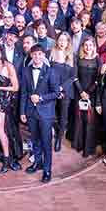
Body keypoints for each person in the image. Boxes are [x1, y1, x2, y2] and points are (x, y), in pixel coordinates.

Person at [20, 44, 61, 183]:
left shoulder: (51, 71)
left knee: (46, 142)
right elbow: (24, 92)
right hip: (31, 112)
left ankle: (47, 169)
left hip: (45, 113)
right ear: (31, 55)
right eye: (34, 54)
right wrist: (22, 111)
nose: (37, 57)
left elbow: (56, 93)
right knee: (35, 140)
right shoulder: (25, 71)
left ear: (44, 55)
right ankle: (38, 163)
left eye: (39, 54)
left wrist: (41, 98)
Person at [0, 41, 21, 171]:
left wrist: (0, 87)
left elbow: (16, 87)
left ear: (2, 51)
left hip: (4, 100)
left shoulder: (9, 66)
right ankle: (2, 153)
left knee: (0, 130)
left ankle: (7, 160)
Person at [71, 36, 101, 158]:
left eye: (91, 45)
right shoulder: (78, 59)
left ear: (94, 46)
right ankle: (79, 144)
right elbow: (75, 76)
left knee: (90, 121)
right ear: (83, 47)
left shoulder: (98, 60)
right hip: (80, 93)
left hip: (92, 94)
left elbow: (98, 79)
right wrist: (81, 91)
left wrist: (88, 92)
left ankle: (88, 148)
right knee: (80, 119)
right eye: (86, 45)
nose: (88, 47)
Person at [49, 31, 76, 152]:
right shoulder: (51, 53)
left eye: (64, 40)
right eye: (60, 40)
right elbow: (48, 72)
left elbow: (73, 76)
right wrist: (55, 88)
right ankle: (55, 130)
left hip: (66, 90)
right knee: (53, 114)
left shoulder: (71, 55)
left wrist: (62, 88)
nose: (62, 42)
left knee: (63, 116)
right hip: (53, 89)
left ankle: (59, 139)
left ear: (68, 42)